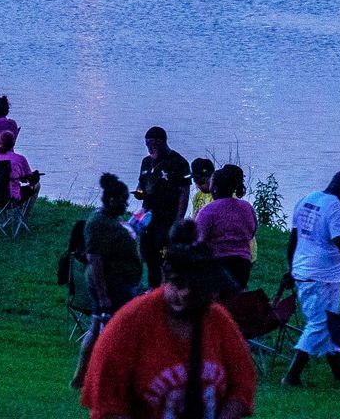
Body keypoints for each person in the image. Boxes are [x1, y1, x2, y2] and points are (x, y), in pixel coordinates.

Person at [80, 239, 258, 419]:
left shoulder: (217, 320)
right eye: (180, 285)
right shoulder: (129, 324)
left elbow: (243, 383)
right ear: (170, 282)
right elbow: (107, 404)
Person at [280, 171, 340, 387]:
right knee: (319, 324)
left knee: (331, 323)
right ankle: (291, 375)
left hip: (308, 273)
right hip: (320, 277)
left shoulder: (307, 200)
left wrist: (292, 269)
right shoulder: (336, 210)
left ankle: (338, 373)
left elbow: (293, 241)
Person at [74, 173, 146, 391]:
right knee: (113, 332)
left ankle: (81, 376)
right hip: (112, 286)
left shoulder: (110, 220)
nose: (126, 204)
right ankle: (107, 378)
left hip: (120, 284)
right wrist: (103, 294)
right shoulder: (99, 224)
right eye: (123, 200)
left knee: (96, 329)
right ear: (112, 199)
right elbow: (95, 260)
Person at [136, 126, 192, 288]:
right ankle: (153, 290)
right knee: (149, 255)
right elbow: (142, 182)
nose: (150, 149)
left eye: (153, 146)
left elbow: (184, 192)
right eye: (147, 146)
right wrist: (140, 192)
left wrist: (178, 220)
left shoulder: (179, 162)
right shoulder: (146, 162)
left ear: (162, 142)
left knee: (166, 257)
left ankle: (168, 289)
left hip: (167, 217)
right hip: (148, 217)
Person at [195, 164, 258, 291]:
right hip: (243, 264)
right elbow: (252, 232)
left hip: (217, 264)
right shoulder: (247, 207)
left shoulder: (208, 211)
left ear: (215, 188)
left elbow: (198, 240)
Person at [0, 128, 39, 202]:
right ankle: (24, 212)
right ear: (13, 143)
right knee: (36, 185)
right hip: (11, 196)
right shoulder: (20, 159)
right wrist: (34, 177)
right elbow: (29, 178)